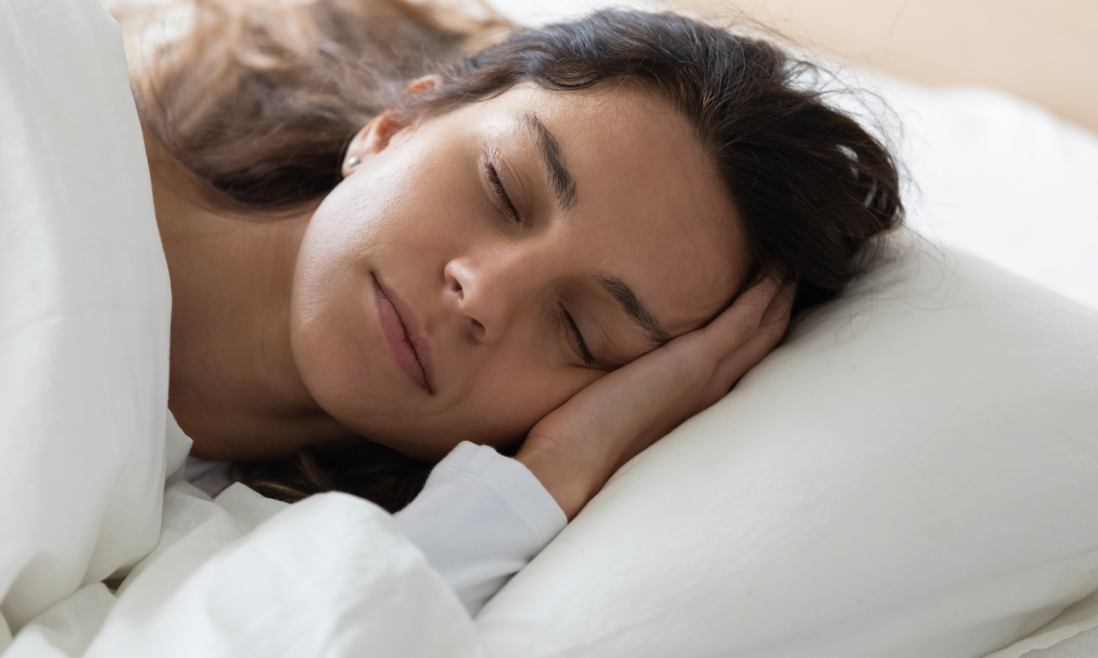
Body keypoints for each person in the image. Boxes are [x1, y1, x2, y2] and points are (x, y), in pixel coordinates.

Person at [125, 0, 902, 611]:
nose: (485, 295)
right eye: (502, 187)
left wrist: (553, 473)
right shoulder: (37, 103)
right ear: (398, 124)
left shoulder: (241, 559)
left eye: (576, 329)